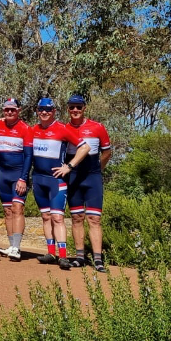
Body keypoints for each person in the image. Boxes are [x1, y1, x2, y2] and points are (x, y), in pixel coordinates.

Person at [27, 98, 91, 268]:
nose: (44, 112)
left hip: (56, 181)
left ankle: (63, 256)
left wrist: (69, 166)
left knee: (57, 217)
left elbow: (85, 147)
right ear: (37, 111)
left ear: (54, 111)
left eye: (48, 109)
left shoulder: (62, 129)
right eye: (41, 109)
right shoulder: (33, 130)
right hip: (39, 180)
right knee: (45, 216)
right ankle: (50, 253)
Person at [65, 94, 111, 272]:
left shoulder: (97, 127)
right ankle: (79, 257)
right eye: (72, 107)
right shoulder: (65, 128)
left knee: (94, 218)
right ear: (68, 109)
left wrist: (98, 169)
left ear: (85, 108)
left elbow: (107, 153)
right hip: (74, 178)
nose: (75, 110)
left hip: (92, 178)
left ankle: (98, 259)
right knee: (77, 217)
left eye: (79, 107)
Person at [0, 98, 32, 261]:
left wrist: (23, 178)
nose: (9, 112)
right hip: (3, 174)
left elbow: (29, 156)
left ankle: (17, 247)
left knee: (17, 208)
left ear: (18, 110)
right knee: (7, 211)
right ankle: (11, 246)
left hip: (18, 174)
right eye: (6, 109)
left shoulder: (25, 129)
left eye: (12, 110)